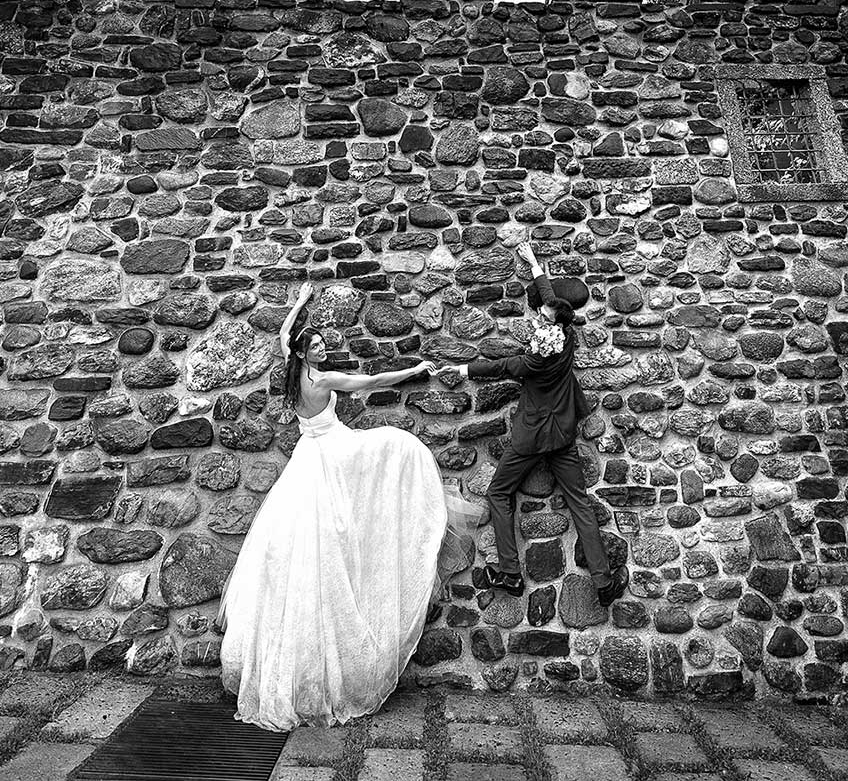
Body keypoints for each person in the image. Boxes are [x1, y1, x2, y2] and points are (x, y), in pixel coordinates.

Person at [220, 282, 446, 731]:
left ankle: (298, 671)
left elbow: (284, 335)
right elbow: (374, 381)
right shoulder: (321, 379)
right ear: (307, 356)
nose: (323, 350)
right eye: (318, 346)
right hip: (330, 454)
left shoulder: (292, 369)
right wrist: (415, 370)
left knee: (302, 549)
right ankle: (325, 678)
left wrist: (300, 301)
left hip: (307, 457)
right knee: (394, 449)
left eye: (324, 345)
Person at [448, 241, 628, 606]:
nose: (538, 317)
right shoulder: (568, 340)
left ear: (549, 326)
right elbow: (551, 300)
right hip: (561, 436)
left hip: (530, 439)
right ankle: (603, 580)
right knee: (579, 502)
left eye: (541, 318)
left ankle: (511, 573)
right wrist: (533, 263)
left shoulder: (531, 361)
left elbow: (497, 367)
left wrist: (462, 368)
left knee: (499, 492)